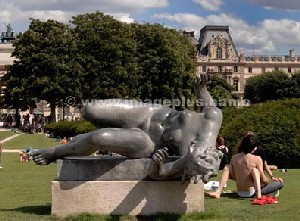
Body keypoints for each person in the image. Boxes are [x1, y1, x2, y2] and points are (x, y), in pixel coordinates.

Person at [32, 73, 223, 183]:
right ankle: (83, 140)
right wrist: (202, 90)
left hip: (148, 142)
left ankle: (55, 151)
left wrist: (157, 162)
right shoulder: (213, 118)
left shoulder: (187, 163)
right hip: (150, 112)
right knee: (90, 109)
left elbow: (160, 174)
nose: (200, 158)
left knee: (101, 138)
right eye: (205, 159)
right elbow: (209, 105)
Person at [206, 133, 283, 202]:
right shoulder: (257, 159)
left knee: (227, 167)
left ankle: (218, 192)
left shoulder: (234, 158)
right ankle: (262, 194)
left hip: (240, 192)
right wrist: (269, 179)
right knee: (279, 183)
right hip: (253, 192)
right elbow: (263, 180)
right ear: (254, 148)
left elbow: (234, 176)